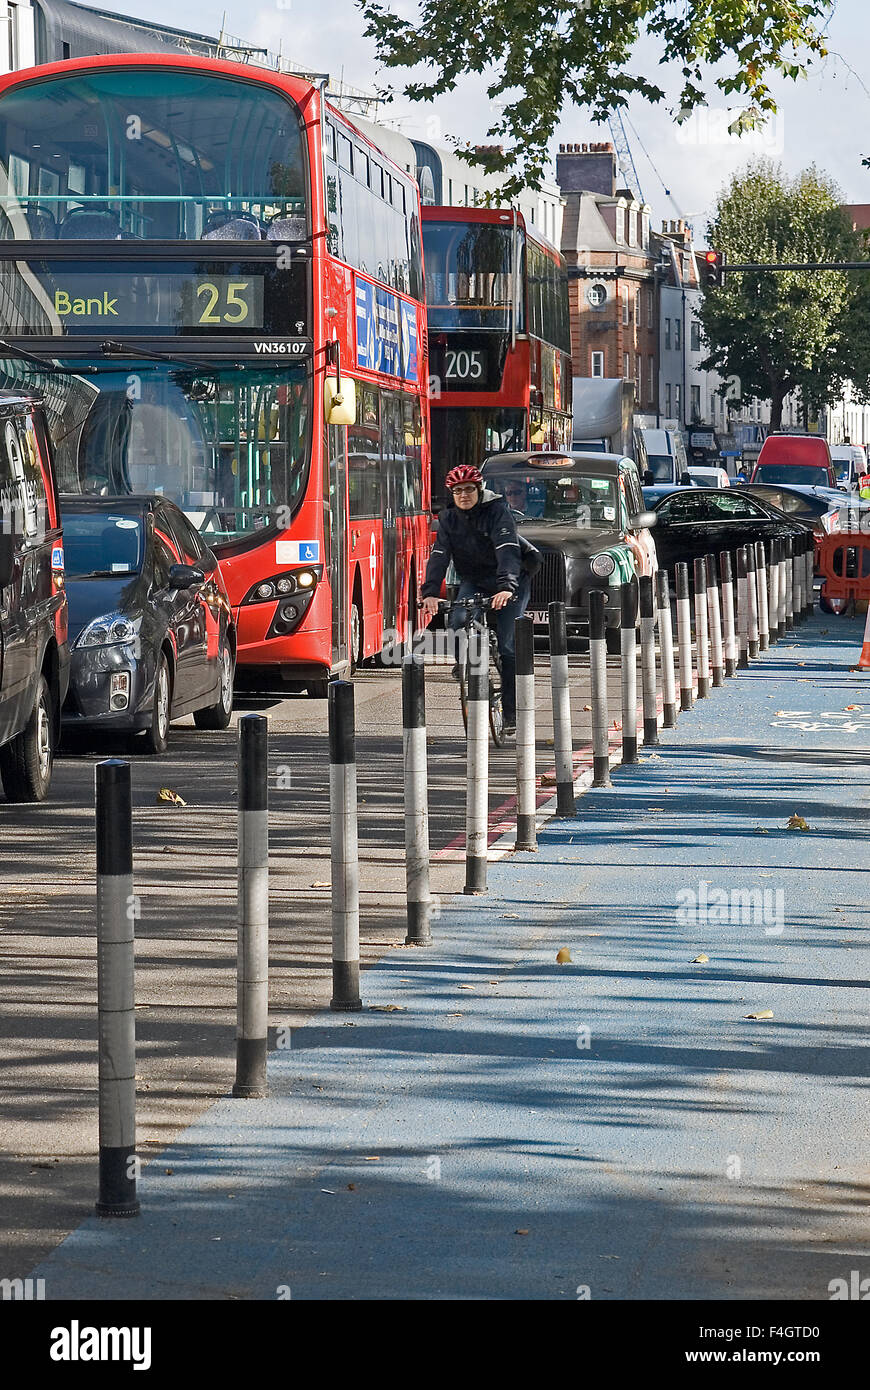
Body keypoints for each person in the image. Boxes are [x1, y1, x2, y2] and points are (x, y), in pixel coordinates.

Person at [421, 464, 530, 734]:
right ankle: (464, 665)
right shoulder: (448, 520)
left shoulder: (497, 512)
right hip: (476, 580)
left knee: (507, 646)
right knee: (457, 618)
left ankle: (511, 713)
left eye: (469, 489)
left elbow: (507, 550)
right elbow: (439, 555)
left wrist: (507, 587)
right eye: (458, 491)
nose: (464, 495)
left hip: (512, 579)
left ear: (479, 490)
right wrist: (431, 593)